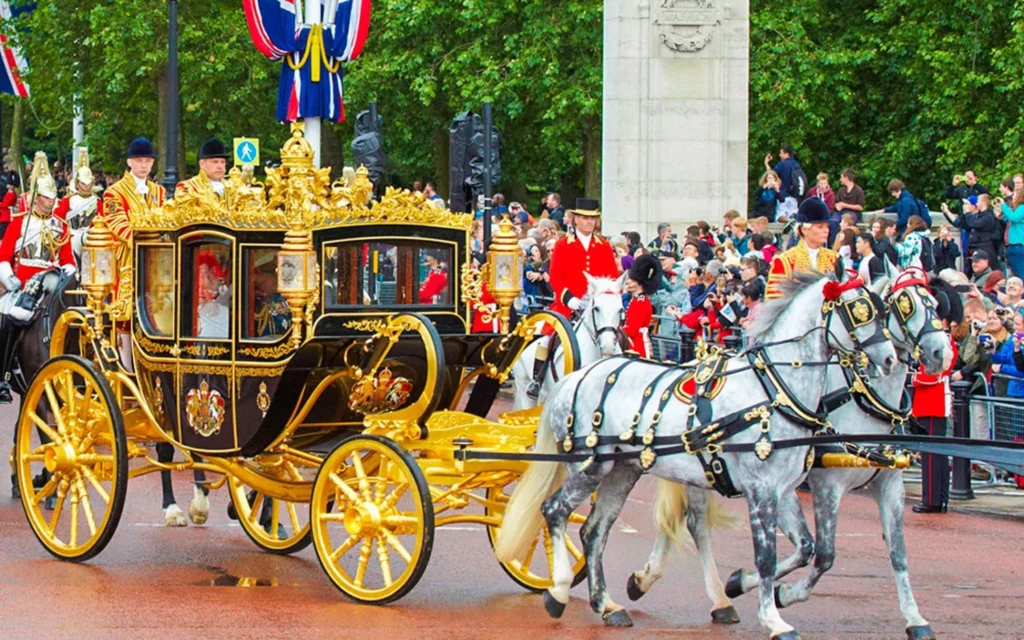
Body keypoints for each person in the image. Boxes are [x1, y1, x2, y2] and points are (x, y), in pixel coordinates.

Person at [524, 198, 618, 399]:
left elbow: (612, 277)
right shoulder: (562, 245)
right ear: (576, 219)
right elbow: (556, 276)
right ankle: (537, 379)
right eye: (585, 218)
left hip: (598, 304)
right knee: (547, 337)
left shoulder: (604, 246)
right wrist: (568, 299)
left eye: (592, 219)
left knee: (617, 336)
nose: (589, 222)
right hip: (569, 303)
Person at [0, 159, 75, 402]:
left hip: (50, 281)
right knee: (9, 317)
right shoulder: (20, 222)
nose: (51, 201)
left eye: (53, 197)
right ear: (36, 197)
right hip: (20, 282)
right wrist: (8, 278)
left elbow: (67, 259)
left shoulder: (61, 226)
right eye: (46, 197)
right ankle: (3, 375)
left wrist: (69, 274)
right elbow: (4, 256)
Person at [911, 282, 960, 514]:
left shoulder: (946, 342)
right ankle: (937, 498)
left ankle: (932, 500)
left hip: (933, 400)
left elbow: (935, 374)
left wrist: (912, 379)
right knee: (932, 454)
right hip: (927, 401)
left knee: (932, 456)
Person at [103, 137, 166, 283]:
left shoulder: (159, 191)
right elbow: (118, 224)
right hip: (126, 258)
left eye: (148, 161)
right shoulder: (114, 192)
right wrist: (143, 239)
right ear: (129, 162)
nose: (144, 165)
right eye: (139, 161)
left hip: (156, 256)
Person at [766, 198, 838, 299]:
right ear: (804, 230)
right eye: (820, 227)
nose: (826, 231)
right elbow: (774, 301)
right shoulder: (785, 260)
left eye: (827, 226)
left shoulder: (835, 258)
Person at [54, 147, 102, 263]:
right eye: (83, 183)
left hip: (91, 237)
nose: (86, 186)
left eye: (89, 183)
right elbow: (58, 219)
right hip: (72, 236)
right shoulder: (68, 201)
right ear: (77, 183)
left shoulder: (97, 201)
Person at [941, 196, 999, 275]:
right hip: (973, 249)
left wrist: (967, 213)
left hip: (985, 248)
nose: (976, 203)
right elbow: (960, 223)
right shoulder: (977, 216)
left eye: (978, 201)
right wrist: (947, 212)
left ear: (984, 203)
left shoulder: (988, 216)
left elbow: (974, 224)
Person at [622, 254, 661, 358]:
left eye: (632, 280)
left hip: (637, 345)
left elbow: (632, 329)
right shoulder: (637, 299)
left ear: (640, 283)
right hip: (634, 341)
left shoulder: (640, 301)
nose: (628, 281)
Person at [763, 144, 802, 220]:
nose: (780, 155)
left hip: (783, 196)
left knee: (779, 216)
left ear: (786, 154)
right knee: (793, 213)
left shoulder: (783, 164)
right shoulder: (796, 164)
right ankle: (793, 222)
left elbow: (771, 174)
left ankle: (788, 221)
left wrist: (766, 163)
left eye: (781, 153)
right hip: (794, 197)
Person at [998, 184, 1024, 278]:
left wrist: (1003, 206)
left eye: (1015, 194)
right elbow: (1008, 219)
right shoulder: (1018, 208)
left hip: (1018, 245)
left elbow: (1014, 218)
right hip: (1014, 244)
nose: (1013, 196)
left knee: (1020, 274)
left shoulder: (1022, 207)